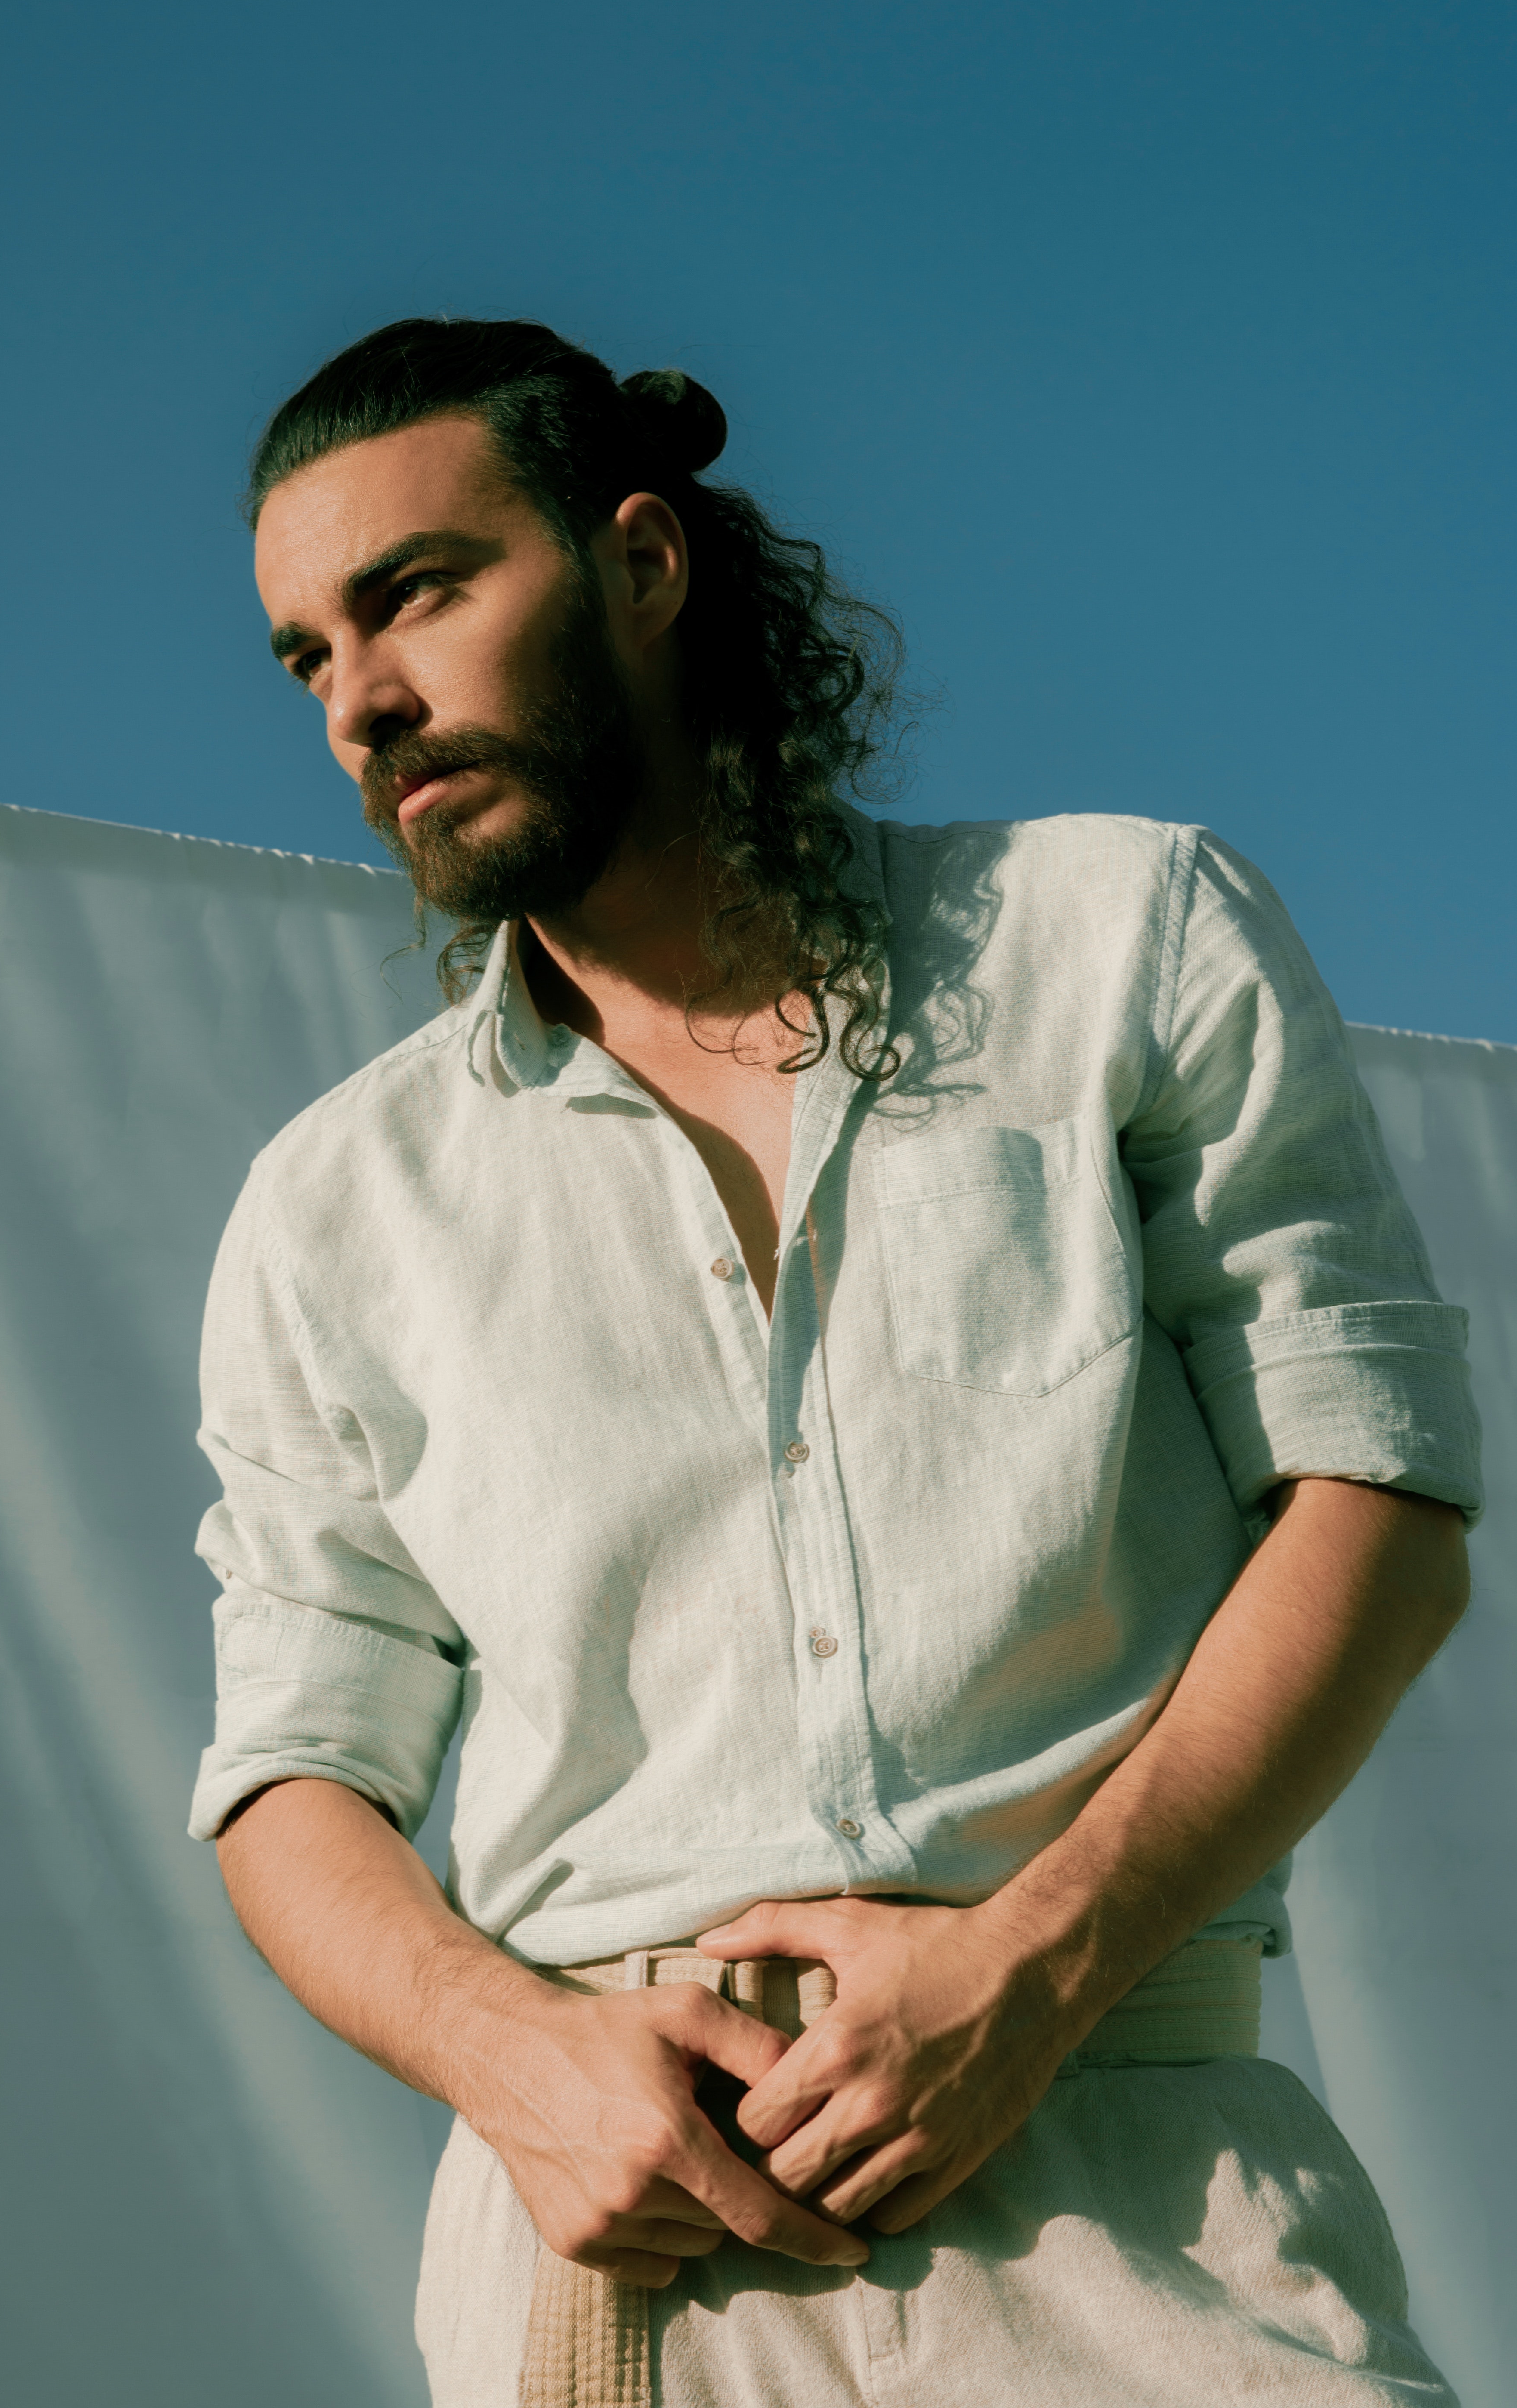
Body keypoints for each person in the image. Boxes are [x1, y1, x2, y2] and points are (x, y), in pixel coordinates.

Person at [191, 318, 1481, 2407]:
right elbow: (290, 1772)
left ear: (642, 562)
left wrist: (1035, 1966)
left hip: (1137, 2204)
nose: (361, 700)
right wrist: (515, 2061)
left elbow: (1379, 1504)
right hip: (616, 2255)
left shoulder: (1120, 940)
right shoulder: (334, 1205)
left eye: (416, 592)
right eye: (306, 655)